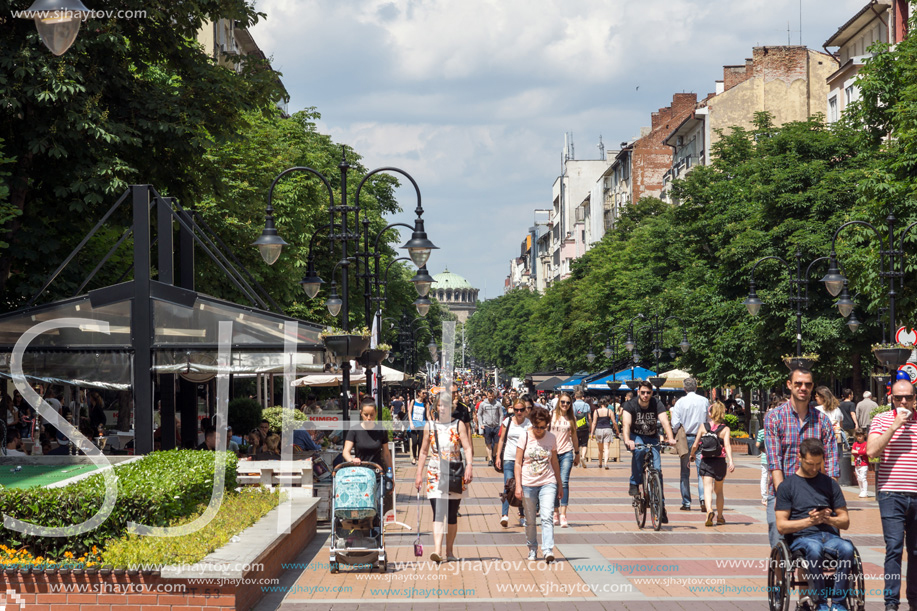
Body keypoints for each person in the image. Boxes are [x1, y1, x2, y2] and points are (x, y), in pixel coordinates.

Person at [775, 438, 853, 611]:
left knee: (847, 548)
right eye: (810, 463)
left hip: (830, 536)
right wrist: (809, 521)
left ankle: (839, 603)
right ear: (800, 457)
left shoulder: (829, 484)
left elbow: (845, 521)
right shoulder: (787, 486)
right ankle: (820, 602)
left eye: (818, 464)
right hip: (802, 538)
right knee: (814, 548)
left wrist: (828, 519)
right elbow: (781, 526)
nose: (814, 468)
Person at [764, 368, 839, 549]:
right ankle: (782, 575)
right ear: (789, 385)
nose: (802, 388)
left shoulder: (822, 421)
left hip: (817, 493)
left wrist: (832, 499)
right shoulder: (775, 418)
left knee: (832, 539)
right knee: (778, 532)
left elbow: (831, 463)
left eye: (807, 384)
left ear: (812, 387)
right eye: (798, 383)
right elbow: (775, 463)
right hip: (783, 491)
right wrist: (784, 498)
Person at [867, 378, 917, 611]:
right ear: (892, 399)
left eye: (908, 397)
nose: (904, 401)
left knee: (916, 551)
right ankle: (891, 604)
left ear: (915, 398)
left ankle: (915, 601)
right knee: (894, 548)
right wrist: (894, 426)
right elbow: (871, 451)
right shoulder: (881, 419)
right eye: (899, 398)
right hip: (891, 494)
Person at [413, 396, 474, 564]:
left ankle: (449, 551)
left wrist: (469, 466)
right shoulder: (430, 426)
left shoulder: (458, 424)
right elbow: (424, 451)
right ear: (435, 407)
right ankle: (437, 550)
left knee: (452, 514)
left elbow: (467, 447)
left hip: (454, 472)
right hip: (435, 472)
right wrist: (419, 473)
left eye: (445, 405)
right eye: (439, 405)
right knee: (438, 512)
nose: (442, 408)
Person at [623, 381, 676, 525]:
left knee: (657, 470)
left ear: (651, 393)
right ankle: (634, 482)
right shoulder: (630, 405)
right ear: (638, 392)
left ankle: (661, 506)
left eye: (648, 392)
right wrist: (628, 440)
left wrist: (670, 437)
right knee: (639, 450)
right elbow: (626, 424)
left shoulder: (656, 403)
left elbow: (665, 422)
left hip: (652, 437)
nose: (645, 395)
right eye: (643, 392)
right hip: (636, 436)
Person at [514, 405, 562, 563]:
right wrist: (519, 485)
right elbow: (518, 463)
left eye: (542, 427)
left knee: (547, 516)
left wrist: (560, 484)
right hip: (528, 483)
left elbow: (554, 462)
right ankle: (532, 548)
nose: (539, 430)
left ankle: (548, 550)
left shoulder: (551, 438)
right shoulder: (525, 436)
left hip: (548, 482)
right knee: (530, 519)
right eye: (536, 426)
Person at [689, 400, 735, 527]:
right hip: (720, 461)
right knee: (719, 490)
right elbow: (727, 445)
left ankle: (709, 511)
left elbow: (695, 444)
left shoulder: (703, 427)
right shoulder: (725, 429)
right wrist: (731, 460)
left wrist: (692, 455)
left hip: (706, 461)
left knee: (707, 488)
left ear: (710, 413)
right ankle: (720, 517)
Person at [670, 377, 709, 512]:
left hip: (685, 439)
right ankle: (703, 498)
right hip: (701, 438)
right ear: (696, 387)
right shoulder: (704, 401)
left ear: (684, 388)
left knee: (685, 472)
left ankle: (686, 502)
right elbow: (708, 420)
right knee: (701, 471)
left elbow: (675, 424)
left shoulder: (680, 402)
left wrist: (677, 432)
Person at [495, 398, 532, 527]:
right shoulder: (508, 422)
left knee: (521, 486)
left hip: (523, 460)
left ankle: (522, 515)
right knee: (508, 485)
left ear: (526, 410)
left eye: (522, 410)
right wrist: (498, 456)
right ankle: (504, 515)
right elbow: (501, 440)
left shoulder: (529, 424)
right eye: (516, 410)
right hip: (509, 458)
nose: (519, 412)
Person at [549, 392, 580, 527]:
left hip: (567, 451)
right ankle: (555, 511)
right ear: (558, 403)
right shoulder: (551, 415)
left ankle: (563, 514)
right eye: (563, 402)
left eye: (568, 403)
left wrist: (577, 453)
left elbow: (574, 437)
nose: (565, 405)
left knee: (564, 481)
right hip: (552, 453)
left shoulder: (571, 418)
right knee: (554, 482)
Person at [343, 398, 392, 470]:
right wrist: (352, 460)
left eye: (371, 415)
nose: (369, 418)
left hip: (377, 472)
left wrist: (391, 475)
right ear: (361, 413)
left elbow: (386, 454)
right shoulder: (354, 430)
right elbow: (346, 451)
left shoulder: (381, 431)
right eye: (366, 415)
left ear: (376, 413)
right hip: (361, 472)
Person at [589, 397, 618, 469]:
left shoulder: (596, 411)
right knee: (607, 448)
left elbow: (594, 423)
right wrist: (617, 430)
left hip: (598, 430)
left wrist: (592, 433)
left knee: (600, 449)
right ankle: (606, 463)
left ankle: (600, 463)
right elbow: (614, 422)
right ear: (606, 404)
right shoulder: (609, 411)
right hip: (608, 429)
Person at [477, 390, 502, 467]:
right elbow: (479, 414)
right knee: (488, 443)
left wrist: (500, 424)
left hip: (496, 425)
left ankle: (494, 455)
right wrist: (481, 424)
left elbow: (501, 414)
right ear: (487, 396)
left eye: (492, 396)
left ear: (494, 396)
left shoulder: (498, 404)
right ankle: (490, 459)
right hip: (487, 425)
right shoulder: (483, 404)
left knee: (496, 443)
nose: (490, 397)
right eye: (489, 396)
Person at [410, 390, 429, 465]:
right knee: (414, 442)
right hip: (414, 424)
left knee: (420, 442)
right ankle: (414, 457)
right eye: (423, 393)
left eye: (425, 393)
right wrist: (411, 422)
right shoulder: (413, 401)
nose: (424, 394)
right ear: (419, 393)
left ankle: (419, 458)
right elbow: (409, 412)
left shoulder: (425, 403)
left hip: (422, 425)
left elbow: (427, 415)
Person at [851, 428, 869, 498]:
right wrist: (859, 452)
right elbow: (852, 451)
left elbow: (865, 452)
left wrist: (857, 452)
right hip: (857, 464)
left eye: (860, 436)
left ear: (864, 435)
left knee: (863, 477)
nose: (859, 437)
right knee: (859, 478)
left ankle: (865, 491)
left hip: (864, 464)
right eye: (858, 436)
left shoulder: (866, 444)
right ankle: (861, 491)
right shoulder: (855, 444)